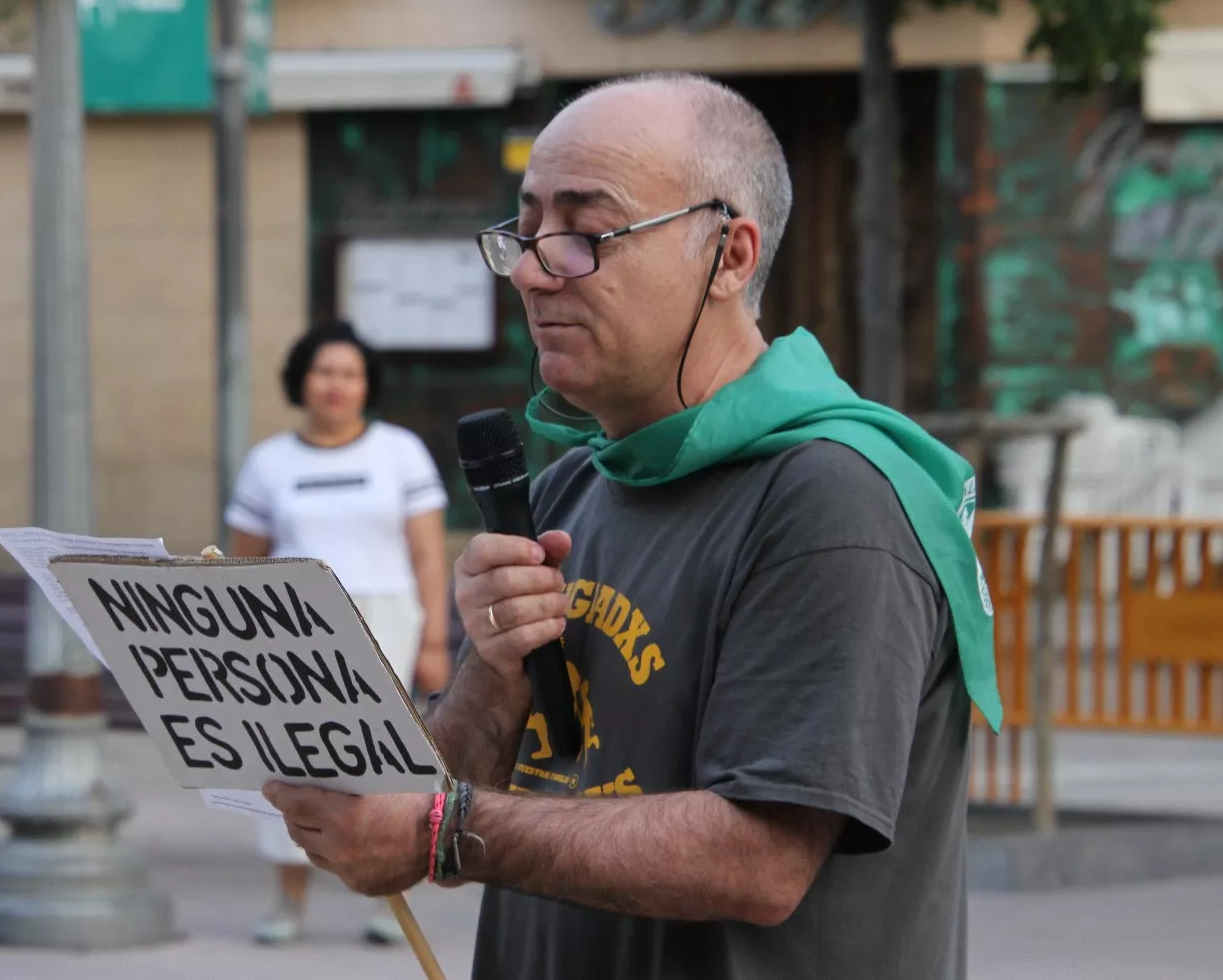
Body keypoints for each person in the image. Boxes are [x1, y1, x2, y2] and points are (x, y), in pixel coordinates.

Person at [259, 74, 1003, 980]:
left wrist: (444, 833)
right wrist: (493, 680)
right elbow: (452, 784)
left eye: (582, 233)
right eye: (526, 231)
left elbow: (761, 859)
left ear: (729, 257)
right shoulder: (577, 482)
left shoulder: (833, 498)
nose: (534, 270)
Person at [224, 319, 452, 948]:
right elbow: (243, 568)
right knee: (292, 759)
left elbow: (428, 553)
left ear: (365, 384)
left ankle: (389, 897)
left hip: (386, 620)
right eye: (325, 372)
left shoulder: (400, 451)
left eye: (349, 374)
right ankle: (288, 897)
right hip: (289, 629)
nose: (336, 385)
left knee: (385, 762)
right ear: (302, 380)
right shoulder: (268, 463)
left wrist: (435, 639)